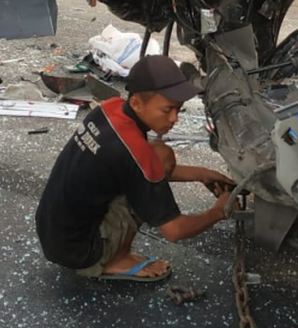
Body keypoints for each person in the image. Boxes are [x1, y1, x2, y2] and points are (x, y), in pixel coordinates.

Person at [36, 55, 235, 282]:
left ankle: (108, 250)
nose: (174, 119)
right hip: (81, 250)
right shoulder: (134, 154)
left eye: (178, 109)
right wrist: (220, 210)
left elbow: (138, 165)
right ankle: (115, 259)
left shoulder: (108, 110)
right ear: (137, 103)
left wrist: (202, 174)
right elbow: (174, 230)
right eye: (167, 109)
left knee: (158, 155)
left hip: (53, 232)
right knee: (156, 157)